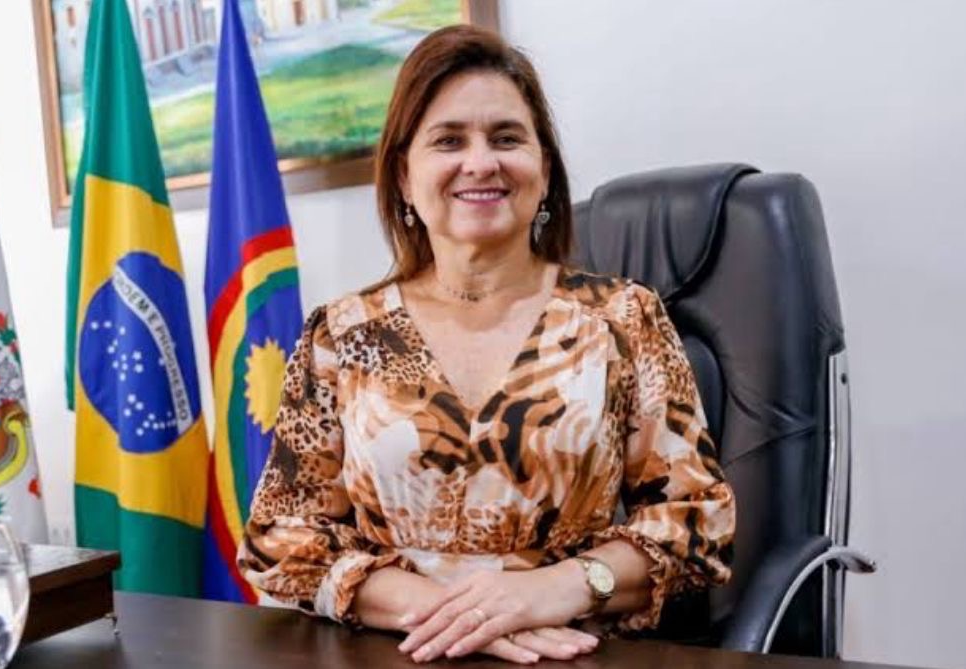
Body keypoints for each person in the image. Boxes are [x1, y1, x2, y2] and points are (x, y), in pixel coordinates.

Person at [238, 24, 735, 665]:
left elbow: (699, 524)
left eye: (506, 138)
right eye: (449, 140)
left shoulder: (622, 319)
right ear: (404, 175)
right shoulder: (342, 334)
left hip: (570, 654)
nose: (480, 163)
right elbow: (281, 536)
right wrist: (458, 614)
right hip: (395, 652)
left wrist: (550, 590)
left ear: (544, 169)